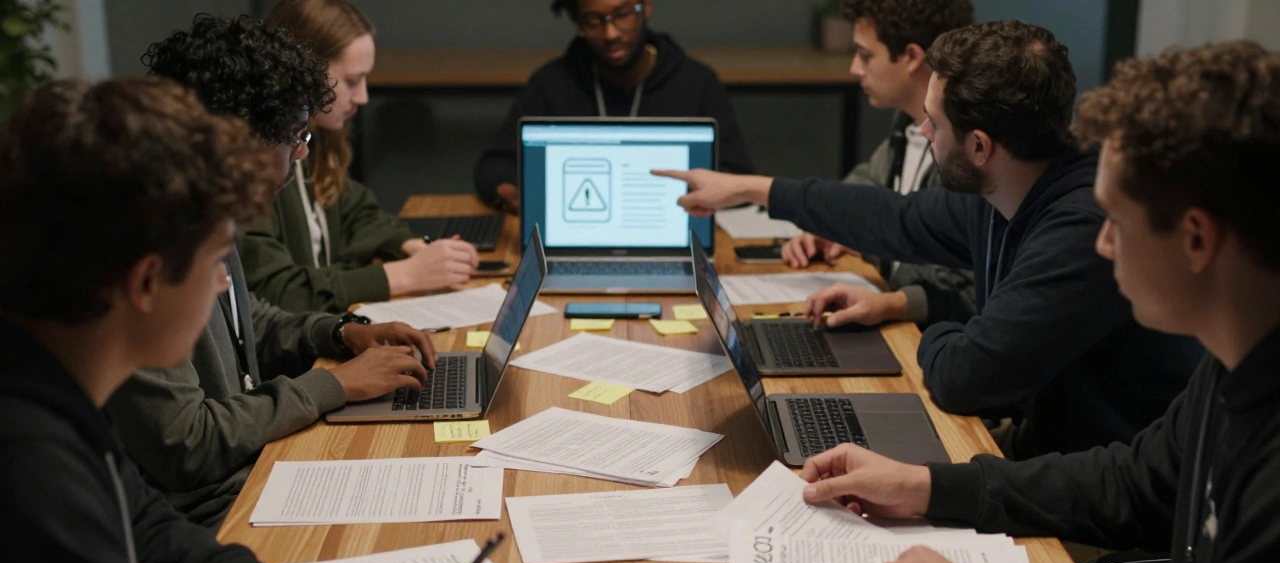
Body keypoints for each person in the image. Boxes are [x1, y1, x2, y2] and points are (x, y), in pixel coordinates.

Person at [797, 41, 1280, 563]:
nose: (1101, 243)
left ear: (1196, 240)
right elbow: (1131, 483)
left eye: (1115, 221)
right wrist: (926, 486)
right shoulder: (1237, 362)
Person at [0, 76, 499, 563]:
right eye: (216, 262)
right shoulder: (31, 472)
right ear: (148, 281)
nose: (222, 285)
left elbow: (138, 518)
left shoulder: (45, 383)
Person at [655, 21, 1200, 459]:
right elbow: (896, 218)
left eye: (934, 124)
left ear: (980, 146)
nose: (922, 132)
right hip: (1045, 450)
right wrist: (753, 190)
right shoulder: (1008, 189)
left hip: (1089, 482)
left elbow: (968, 378)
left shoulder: (1078, 229)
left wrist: (932, 328)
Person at [106, 14, 438, 528]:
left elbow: (245, 323)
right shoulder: (145, 249)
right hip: (212, 515)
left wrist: (339, 331)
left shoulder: (210, 211)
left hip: (253, 474)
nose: (303, 153)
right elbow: (185, 444)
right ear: (243, 143)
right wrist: (335, 387)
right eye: (296, 137)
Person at [238, 0, 479, 314]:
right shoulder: (256, 164)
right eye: (352, 81)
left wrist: (411, 246)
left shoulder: (316, 141)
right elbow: (274, 290)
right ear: (304, 72)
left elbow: (357, 210)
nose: (363, 97)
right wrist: (407, 274)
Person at [783, 0, 978, 330]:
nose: (855, 69)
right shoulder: (906, 126)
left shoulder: (962, 154)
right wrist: (832, 226)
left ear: (913, 57)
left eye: (865, 55)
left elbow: (951, 280)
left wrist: (872, 247)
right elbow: (864, 190)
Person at [473, 0, 754, 212]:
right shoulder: (551, 83)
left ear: (645, 7)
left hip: (674, 223)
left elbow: (737, 173)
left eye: (621, 15)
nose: (610, 33)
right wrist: (520, 198)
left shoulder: (696, 81)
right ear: (578, 23)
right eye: (593, 21)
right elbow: (495, 167)